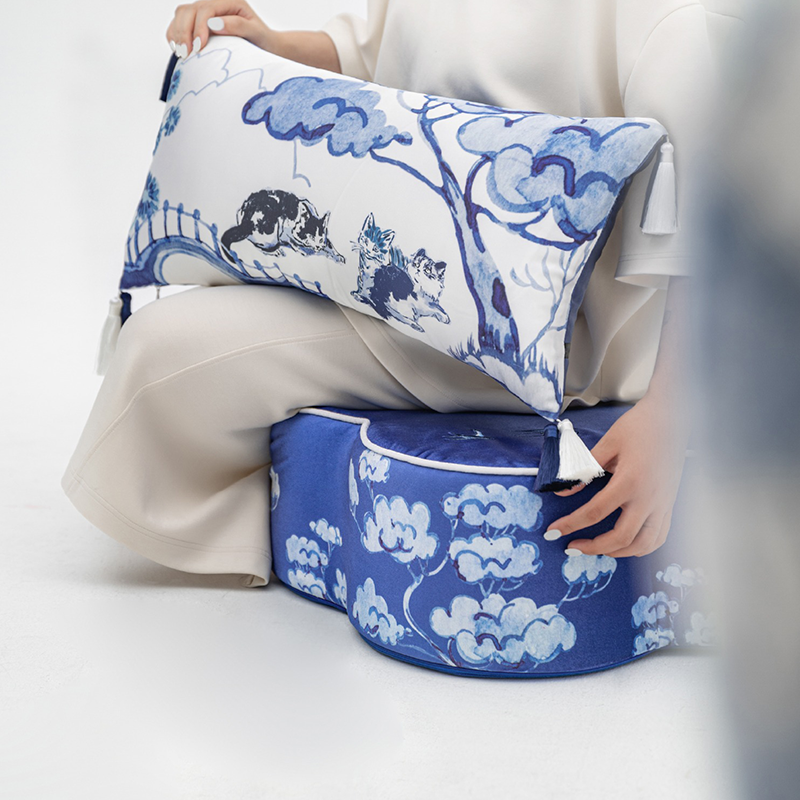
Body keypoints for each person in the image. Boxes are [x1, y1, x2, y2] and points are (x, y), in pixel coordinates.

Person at [62, 0, 737, 587]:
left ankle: (250, 544)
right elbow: (374, 51)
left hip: (538, 329)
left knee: (163, 352)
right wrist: (269, 42)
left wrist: (669, 413)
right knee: (189, 298)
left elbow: (723, 199)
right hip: (400, 259)